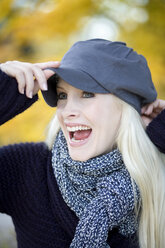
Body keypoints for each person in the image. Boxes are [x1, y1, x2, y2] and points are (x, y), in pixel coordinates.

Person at [0, 39, 165, 248]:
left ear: (126, 109)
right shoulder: (28, 168)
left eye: (87, 94)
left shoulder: (155, 185)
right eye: (62, 95)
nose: (67, 110)